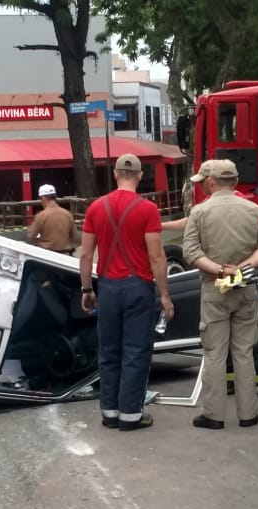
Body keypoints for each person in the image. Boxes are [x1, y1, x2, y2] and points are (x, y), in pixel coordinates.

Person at [161, 174, 258, 398]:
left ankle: (235, 381)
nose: (200, 185)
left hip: (221, 279)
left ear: (212, 181)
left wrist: (160, 226)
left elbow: (190, 231)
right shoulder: (244, 203)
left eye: (202, 181)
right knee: (253, 330)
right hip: (244, 277)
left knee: (223, 334)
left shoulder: (211, 205)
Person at [80, 154, 174, 431]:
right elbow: (156, 256)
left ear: (115, 174)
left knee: (109, 350)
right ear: (140, 176)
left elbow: (86, 254)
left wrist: (86, 288)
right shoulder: (148, 209)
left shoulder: (96, 208)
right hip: (138, 287)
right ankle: (131, 414)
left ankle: (109, 412)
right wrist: (165, 295)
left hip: (107, 287)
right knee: (135, 351)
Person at [183, 159, 258, 429]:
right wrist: (244, 268)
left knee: (215, 353)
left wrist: (222, 270)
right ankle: (249, 414)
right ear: (235, 181)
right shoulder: (254, 210)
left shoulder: (200, 212)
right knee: (244, 352)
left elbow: (191, 252)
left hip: (215, 287)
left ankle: (214, 415)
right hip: (246, 288)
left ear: (211, 181)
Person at [28, 184, 77, 254]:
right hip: (65, 253)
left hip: (46, 253)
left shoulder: (41, 216)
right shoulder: (68, 214)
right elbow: (74, 236)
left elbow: (31, 236)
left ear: (43, 198)